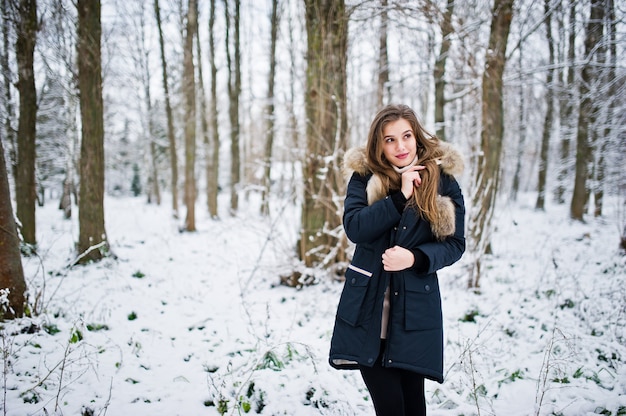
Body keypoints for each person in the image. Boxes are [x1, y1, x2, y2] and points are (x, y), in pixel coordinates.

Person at [329, 104, 465, 416]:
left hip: (414, 314)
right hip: (367, 311)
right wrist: (398, 197)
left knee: (414, 407)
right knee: (390, 407)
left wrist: (415, 257)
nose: (400, 146)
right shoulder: (364, 178)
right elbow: (355, 227)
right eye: (389, 140)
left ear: (417, 137)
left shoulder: (442, 181)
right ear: (378, 145)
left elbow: (456, 244)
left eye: (406, 136)